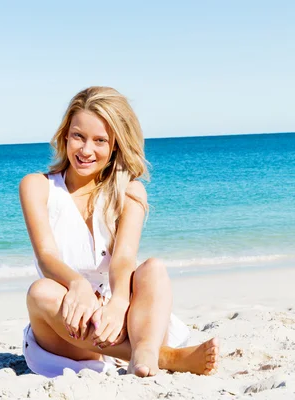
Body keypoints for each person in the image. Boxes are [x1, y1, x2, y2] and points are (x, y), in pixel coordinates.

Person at [19, 86, 219, 377]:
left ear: (115, 145)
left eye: (100, 140)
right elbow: (46, 256)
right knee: (40, 292)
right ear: (65, 135)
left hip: (120, 319)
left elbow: (124, 258)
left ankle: (145, 350)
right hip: (67, 328)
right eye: (78, 136)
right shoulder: (36, 186)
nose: (86, 150)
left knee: (154, 269)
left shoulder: (130, 191)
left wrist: (118, 303)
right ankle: (164, 357)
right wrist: (78, 286)